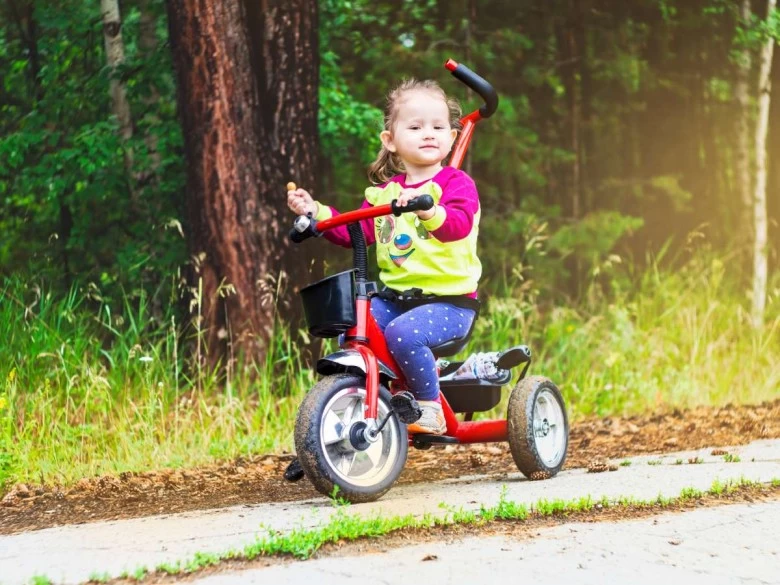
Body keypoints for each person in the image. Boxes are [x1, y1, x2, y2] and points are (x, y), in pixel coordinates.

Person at [287, 79, 482, 435]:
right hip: (397, 300)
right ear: (390, 140)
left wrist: (428, 211)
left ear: (452, 137)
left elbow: (458, 225)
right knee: (353, 326)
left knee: (404, 334)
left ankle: (429, 408)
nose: (428, 133)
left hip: (451, 304)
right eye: (415, 126)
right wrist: (314, 211)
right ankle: (352, 415)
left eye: (438, 127)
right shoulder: (383, 195)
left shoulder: (456, 185)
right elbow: (352, 232)